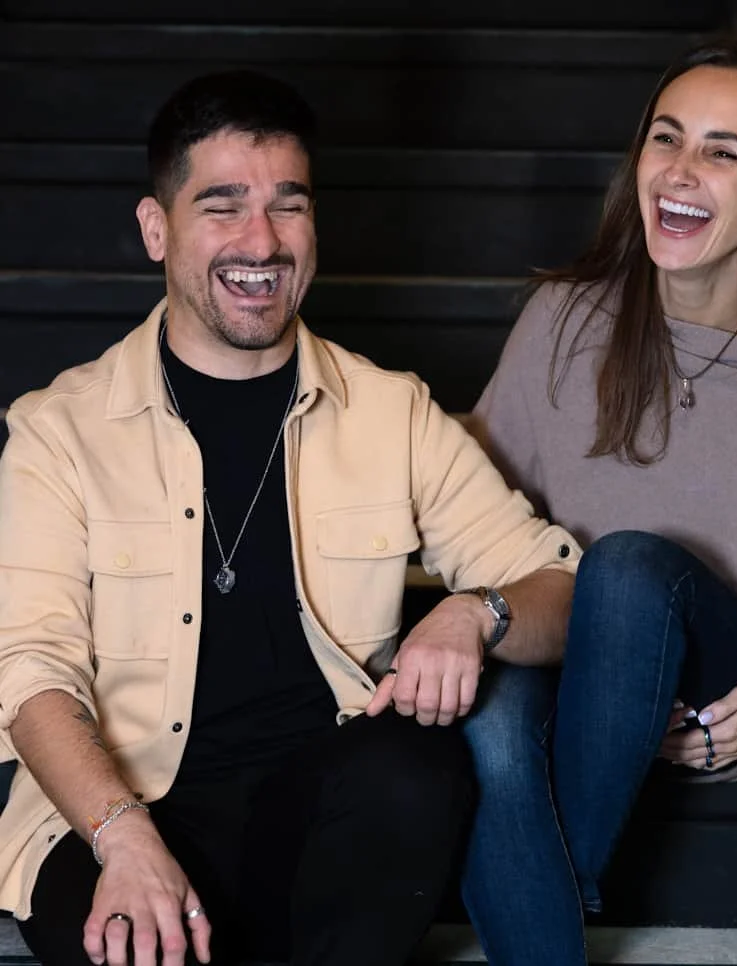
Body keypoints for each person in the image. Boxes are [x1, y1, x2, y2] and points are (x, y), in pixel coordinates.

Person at [0, 70, 580, 966]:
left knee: (415, 769)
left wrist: (478, 612)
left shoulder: (393, 411)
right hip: (117, 814)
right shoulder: (57, 431)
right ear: (157, 229)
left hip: (319, 821)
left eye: (289, 205)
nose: (261, 241)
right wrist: (122, 838)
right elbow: (29, 672)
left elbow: (562, 584)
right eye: (222, 206)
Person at [461, 41, 737, 966]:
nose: (681, 170)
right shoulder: (566, 324)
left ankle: (550, 875)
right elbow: (476, 504)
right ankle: (555, 914)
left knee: (627, 561)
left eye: (722, 151)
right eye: (668, 138)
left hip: (725, 681)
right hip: (573, 641)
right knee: (495, 721)